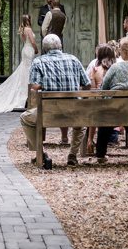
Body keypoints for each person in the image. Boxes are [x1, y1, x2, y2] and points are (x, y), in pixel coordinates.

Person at [20, 34, 89, 167]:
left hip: (48, 112)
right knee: (81, 124)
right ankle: (72, 155)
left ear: (45, 48)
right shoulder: (74, 59)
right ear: (61, 46)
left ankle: (40, 152)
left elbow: (34, 86)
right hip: (73, 111)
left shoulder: (38, 61)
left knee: (25, 118)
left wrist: (44, 84)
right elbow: (87, 83)